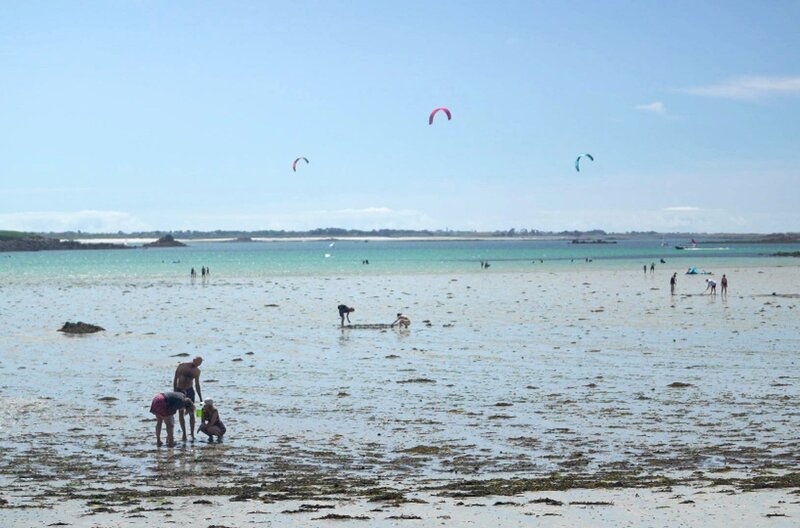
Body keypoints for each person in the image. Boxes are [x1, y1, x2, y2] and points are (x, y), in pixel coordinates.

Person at [173, 356, 203, 441]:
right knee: (181, 412)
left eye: (200, 363)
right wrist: (175, 391)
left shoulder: (197, 371)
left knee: (192, 412)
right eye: (197, 362)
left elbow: (197, 384)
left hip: (190, 390)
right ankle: (184, 434)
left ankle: (192, 434)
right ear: (193, 360)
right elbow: (175, 378)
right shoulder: (182, 366)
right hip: (180, 390)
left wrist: (200, 397)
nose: (198, 365)